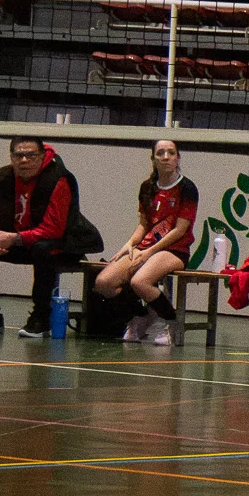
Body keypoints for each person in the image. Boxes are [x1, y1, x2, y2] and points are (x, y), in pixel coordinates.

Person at [0, 135, 102, 338]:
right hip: (20, 240)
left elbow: (53, 229)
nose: (24, 160)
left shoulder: (59, 179)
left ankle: (41, 317)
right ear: (11, 157)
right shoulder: (2, 176)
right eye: (19, 155)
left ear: (42, 156)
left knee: (42, 247)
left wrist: (14, 239)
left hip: (63, 244)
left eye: (31, 155)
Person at [92, 139, 197, 347]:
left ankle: (168, 322)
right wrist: (130, 243)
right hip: (146, 246)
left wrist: (149, 252)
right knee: (104, 283)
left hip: (175, 249)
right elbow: (143, 224)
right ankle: (140, 315)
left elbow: (180, 229)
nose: (166, 157)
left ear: (178, 158)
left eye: (171, 153)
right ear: (153, 159)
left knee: (139, 281)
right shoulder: (147, 187)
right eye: (160, 153)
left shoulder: (187, 188)